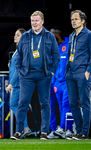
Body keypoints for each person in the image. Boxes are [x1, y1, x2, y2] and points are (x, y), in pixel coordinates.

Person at [10, 10, 60, 140]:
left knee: (45, 103)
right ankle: (19, 132)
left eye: (37, 20)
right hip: (27, 75)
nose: (34, 23)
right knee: (22, 103)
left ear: (42, 21)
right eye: (32, 21)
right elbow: (18, 56)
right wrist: (20, 72)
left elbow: (56, 55)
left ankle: (44, 132)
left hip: (44, 75)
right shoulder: (25, 36)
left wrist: (52, 71)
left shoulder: (49, 36)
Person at [65, 10, 91, 140]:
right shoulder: (72, 35)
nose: (73, 21)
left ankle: (85, 133)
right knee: (73, 103)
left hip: (83, 72)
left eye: (76, 19)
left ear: (83, 21)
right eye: (72, 19)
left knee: (84, 103)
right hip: (71, 74)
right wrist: (67, 71)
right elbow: (69, 55)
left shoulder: (89, 35)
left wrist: (88, 71)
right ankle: (78, 132)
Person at [47, 26, 74, 139]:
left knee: (66, 106)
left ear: (58, 34)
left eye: (52, 34)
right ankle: (56, 130)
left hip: (67, 81)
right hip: (56, 82)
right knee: (55, 107)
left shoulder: (69, 45)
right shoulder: (52, 48)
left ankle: (67, 129)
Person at [5, 28, 31, 137]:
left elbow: (19, 70)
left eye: (18, 35)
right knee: (17, 105)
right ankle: (25, 127)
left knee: (15, 105)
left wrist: (11, 83)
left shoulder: (22, 51)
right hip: (17, 83)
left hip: (19, 83)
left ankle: (24, 127)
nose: (15, 37)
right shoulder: (17, 50)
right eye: (15, 34)